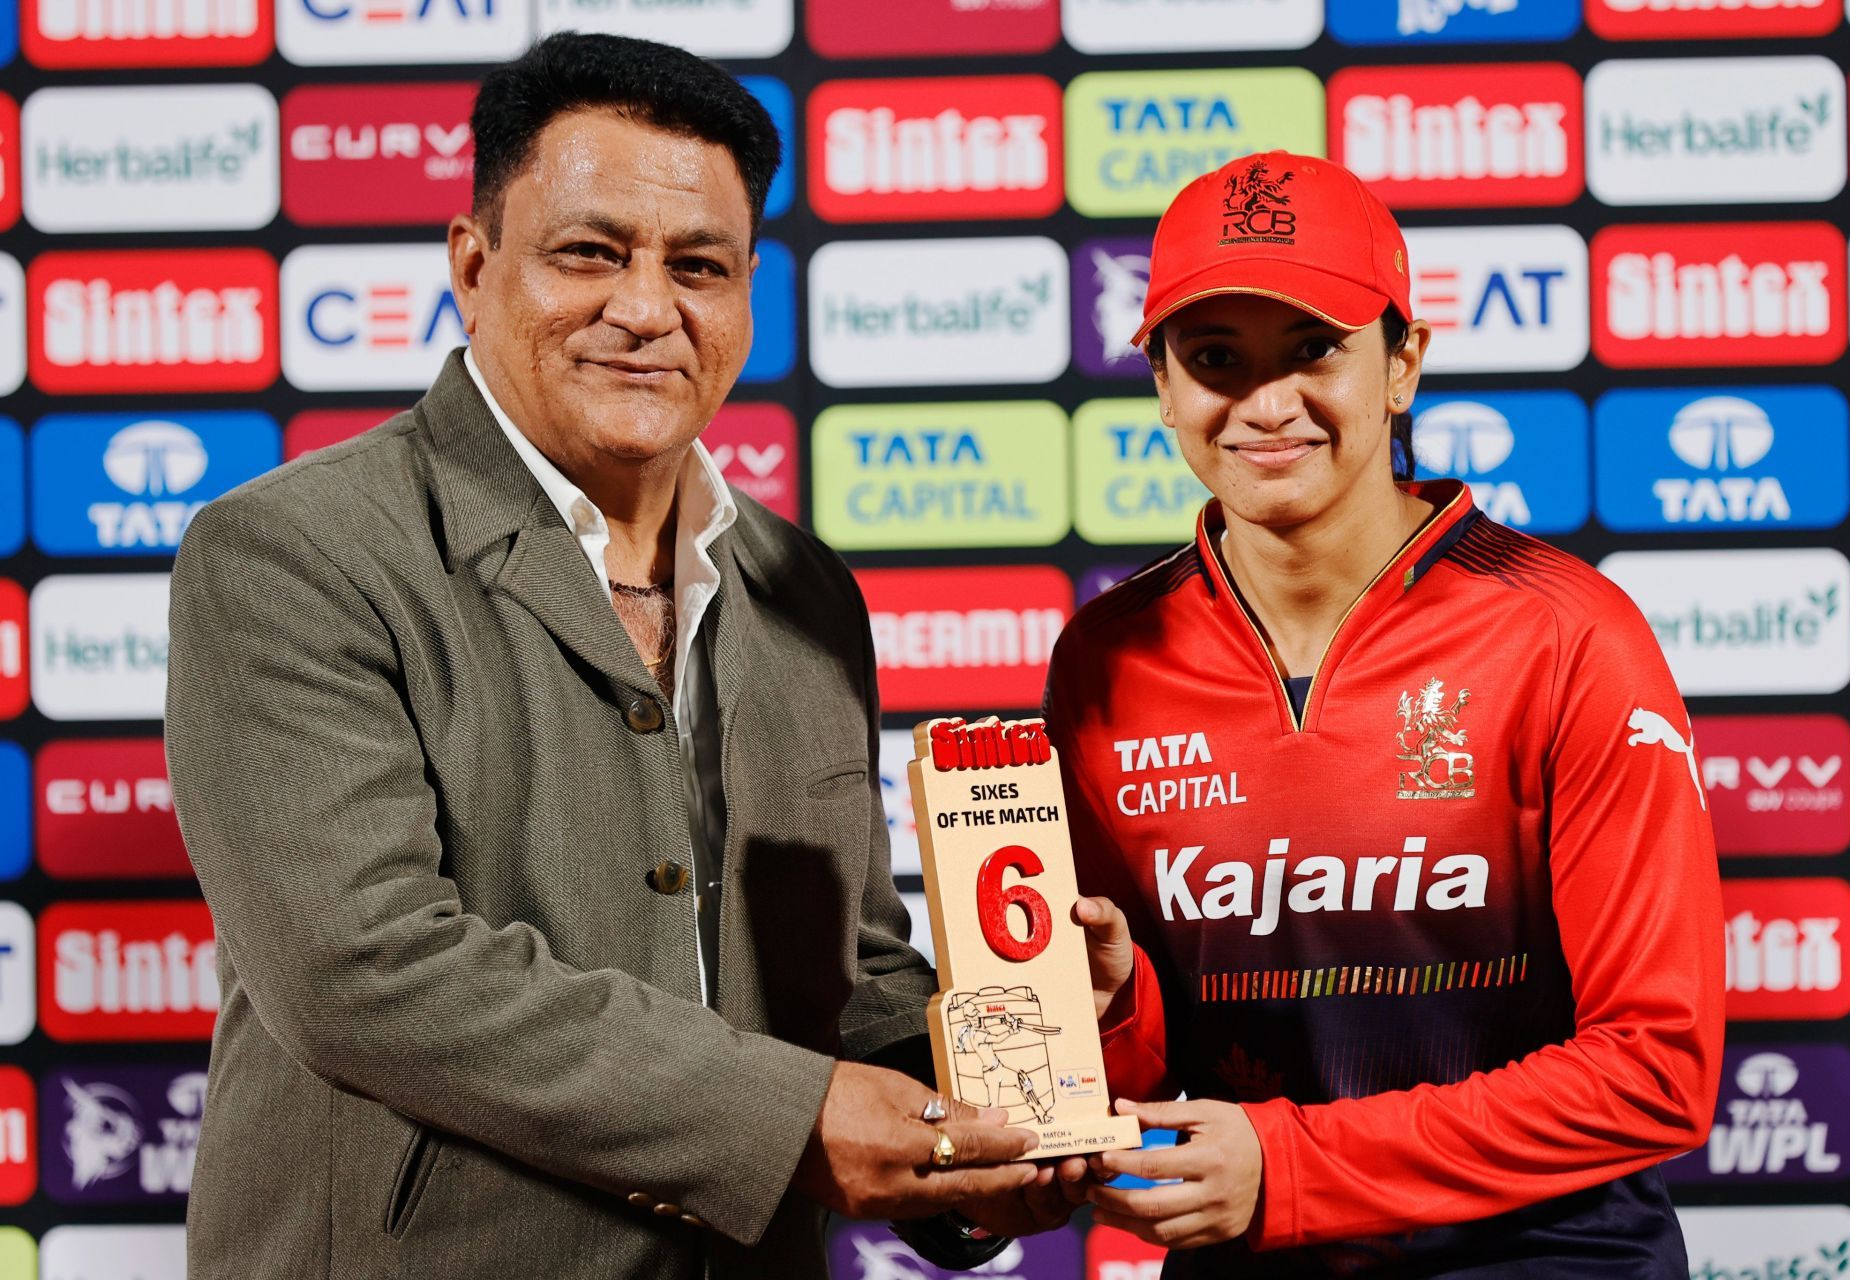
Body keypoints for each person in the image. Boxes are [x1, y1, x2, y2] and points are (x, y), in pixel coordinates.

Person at [164, 34, 1058, 1279]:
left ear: (749, 290)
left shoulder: (807, 591)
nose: (645, 310)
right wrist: (793, 1121)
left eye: (698, 265)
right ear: (472, 268)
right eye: (590, 252)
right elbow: (367, 968)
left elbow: (848, 974)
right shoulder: (289, 553)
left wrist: (1008, 1098)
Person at [1045, 151, 1724, 1276]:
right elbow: (1143, 1075)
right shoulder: (1106, 660)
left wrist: (1295, 1167)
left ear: (1404, 363)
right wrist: (1110, 1009)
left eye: (1315, 350)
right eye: (1215, 358)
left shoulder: (1566, 632)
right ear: (1161, 385)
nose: (1267, 405)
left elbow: (1656, 1065)